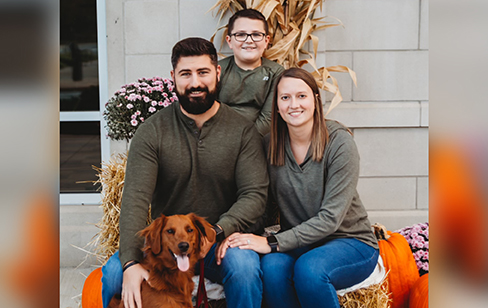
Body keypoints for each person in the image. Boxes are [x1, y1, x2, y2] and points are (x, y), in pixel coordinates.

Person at [100, 37, 268, 308]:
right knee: (112, 275)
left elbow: (255, 195)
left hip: (218, 241)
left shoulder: (242, 130)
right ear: (173, 77)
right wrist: (130, 261)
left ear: (217, 72)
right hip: (166, 246)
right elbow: (135, 199)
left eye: (202, 72)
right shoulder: (152, 131)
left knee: (245, 268)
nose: (195, 83)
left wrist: (215, 231)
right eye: (185, 74)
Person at [224, 68, 380, 308]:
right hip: (302, 242)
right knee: (273, 268)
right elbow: (259, 201)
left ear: (316, 100)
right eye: (285, 97)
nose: (293, 104)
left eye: (302, 96)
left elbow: (331, 218)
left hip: (350, 241)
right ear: (276, 106)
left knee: (310, 270)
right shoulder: (269, 145)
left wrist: (271, 243)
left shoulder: (339, 142)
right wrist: (235, 234)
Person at [218, 9, 284, 136]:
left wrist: (246, 142)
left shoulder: (276, 73)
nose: (249, 40)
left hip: (259, 141)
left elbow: (268, 119)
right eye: (241, 35)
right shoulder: (218, 70)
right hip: (221, 138)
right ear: (229, 41)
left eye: (256, 34)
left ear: (266, 41)